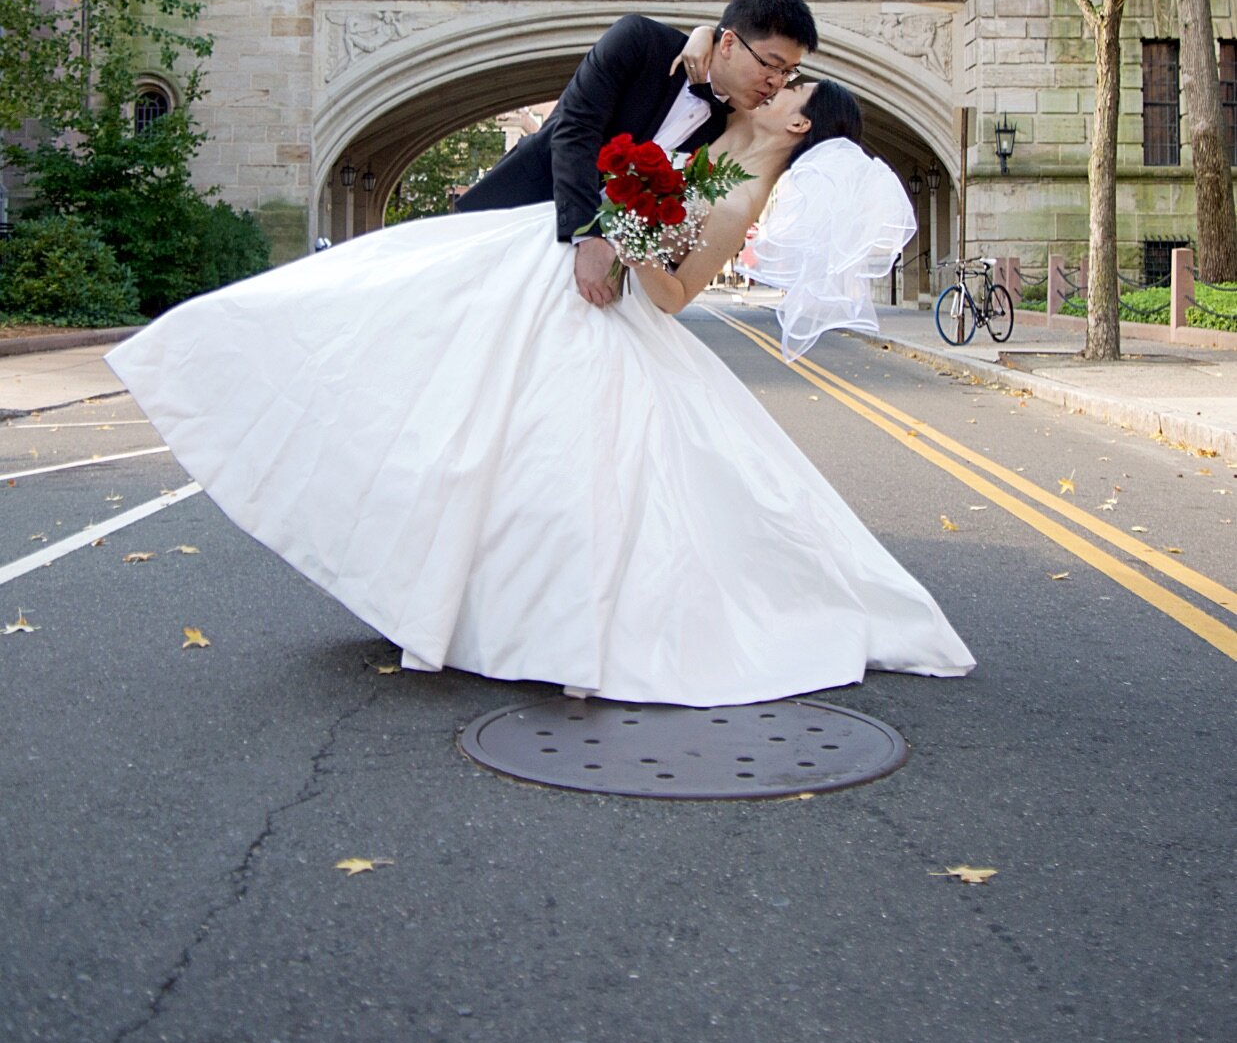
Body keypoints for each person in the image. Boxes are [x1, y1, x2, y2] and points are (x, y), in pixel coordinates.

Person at [106, 75, 975, 709]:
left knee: (545, 465)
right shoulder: (719, 118)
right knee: (408, 348)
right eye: (780, 69)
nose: (778, 80)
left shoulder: (748, 192)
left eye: (794, 83)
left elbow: (674, 295)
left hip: (607, 307)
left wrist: (634, 234)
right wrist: (626, 205)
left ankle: (514, 615)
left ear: (799, 120)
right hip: (545, 262)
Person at [455, 0, 818, 308]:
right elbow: (574, 130)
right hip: (521, 215)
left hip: (597, 287)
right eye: (771, 65)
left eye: (789, 73)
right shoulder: (639, 42)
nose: (777, 81)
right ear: (727, 43)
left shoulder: (730, 126)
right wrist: (586, 236)